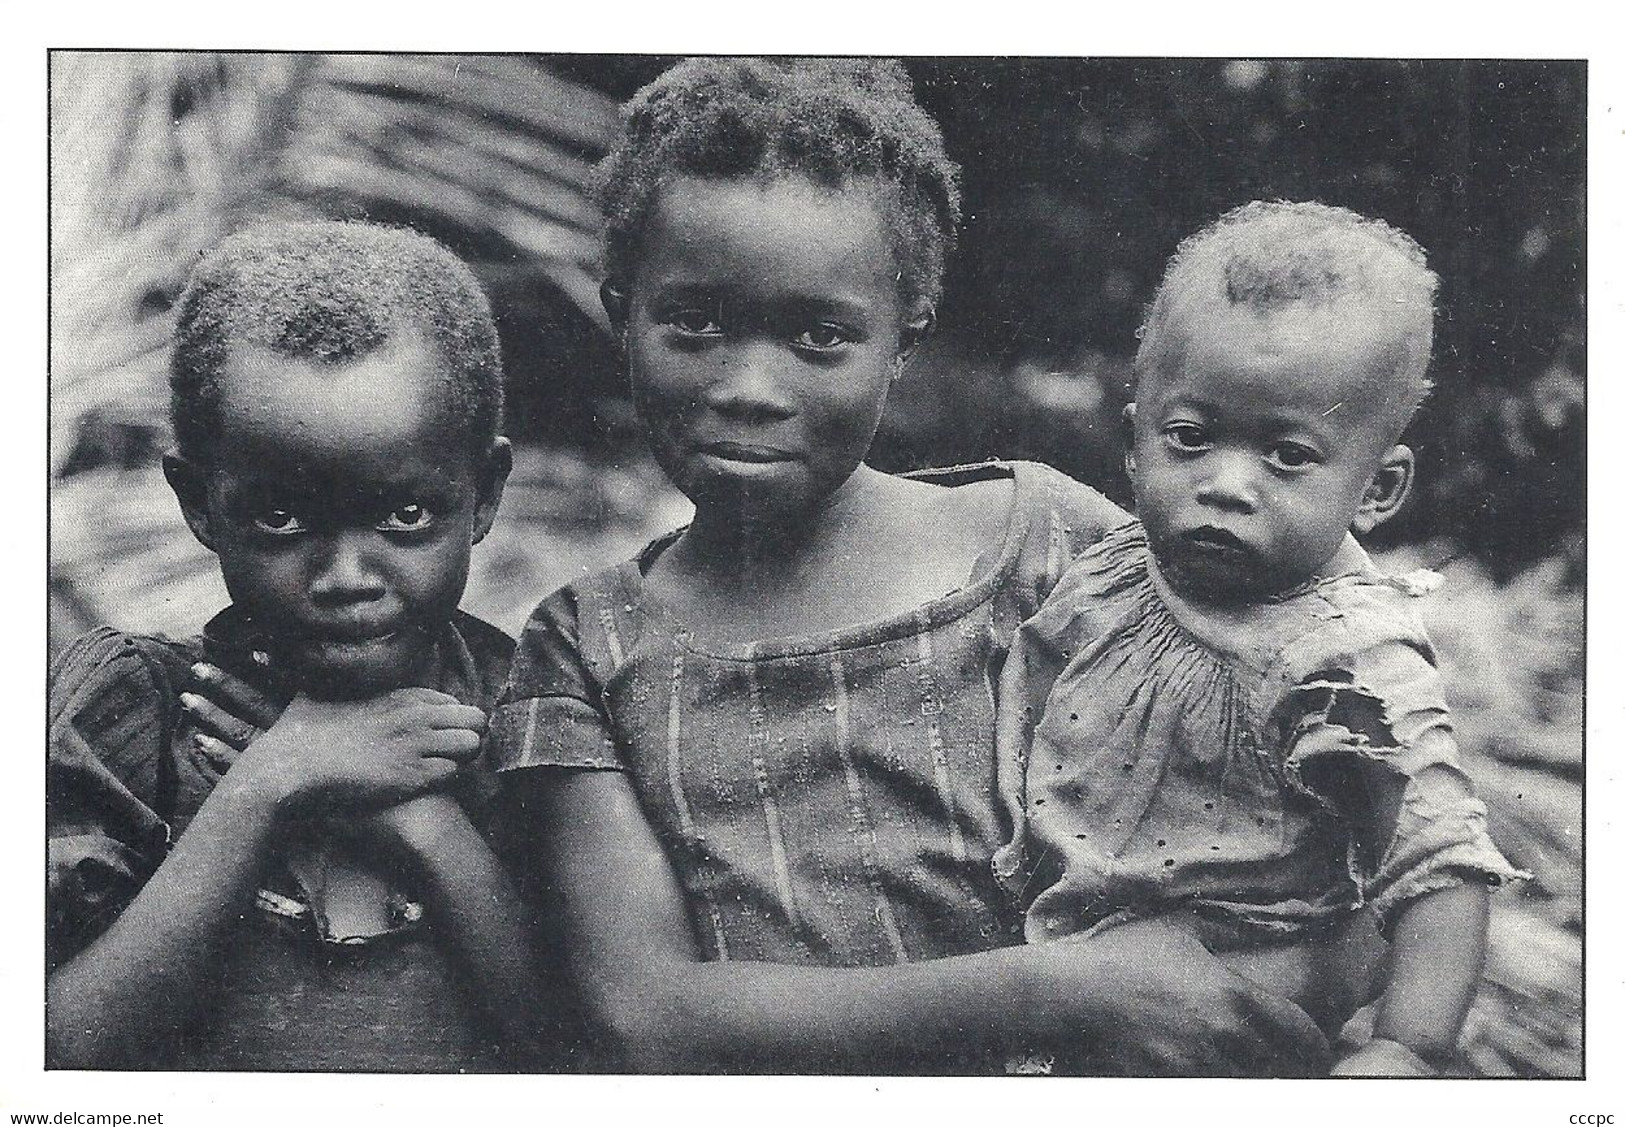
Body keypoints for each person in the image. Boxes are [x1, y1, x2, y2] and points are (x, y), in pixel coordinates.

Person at [490, 57, 1337, 1075]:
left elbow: (1289, 783)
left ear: (902, 341)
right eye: (697, 323)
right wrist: (1060, 989)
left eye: (819, 336)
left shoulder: (1050, 547)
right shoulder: (584, 645)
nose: (751, 386)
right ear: (622, 311)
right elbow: (645, 1011)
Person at [995, 201, 1524, 1076]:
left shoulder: (1343, 659)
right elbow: (1030, 706)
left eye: (1287, 455)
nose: (1226, 484)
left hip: (1225, 1007)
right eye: (1191, 438)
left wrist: (1405, 1044)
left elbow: (1439, 862)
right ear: (1135, 444)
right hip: (1066, 962)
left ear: (1377, 488)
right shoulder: (1115, 567)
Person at [47, 221, 543, 1071]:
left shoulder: (535, 720)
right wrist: (267, 784)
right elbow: (56, 1054)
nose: (346, 575)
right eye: (281, 517)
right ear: (200, 502)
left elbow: (584, 1056)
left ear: (483, 493)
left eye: (405, 516)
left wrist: (424, 824)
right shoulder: (140, 713)